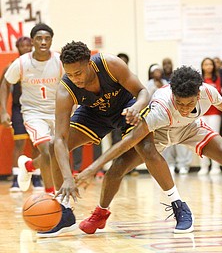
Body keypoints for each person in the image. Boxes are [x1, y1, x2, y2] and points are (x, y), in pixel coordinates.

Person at [74, 66, 222, 234]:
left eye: (190, 103)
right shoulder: (159, 109)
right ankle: (100, 213)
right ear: (173, 95)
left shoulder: (207, 92)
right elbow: (127, 141)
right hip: (161, 131)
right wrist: (93, 168)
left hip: (190, 128)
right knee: (117, 168)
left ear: (198, 94)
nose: (185, 108)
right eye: (180, 103)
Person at [44, 41, 193, 237]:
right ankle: (65, 211)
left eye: (78, 73)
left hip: (127, 108)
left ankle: (179, 205)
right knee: (54, 145)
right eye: (70, 74)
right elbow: (61, 139)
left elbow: (143, 92)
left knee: (147, 149)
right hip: (94, 114)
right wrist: (67, 178)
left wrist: (137, 108)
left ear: (89, 63)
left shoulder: (109, 64)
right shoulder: (65, 89)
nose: (75, 79)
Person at [0, 23, 62, 194]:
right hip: (33, 113)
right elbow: (5, 83)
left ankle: (29, 165)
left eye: (47, 39)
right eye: (39, 38)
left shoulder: (59, 61)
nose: (43, 42)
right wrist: (3, 111)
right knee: (46, 149)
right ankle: (51, 194)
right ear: (33, 41)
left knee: (58, 153)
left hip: (57, 112)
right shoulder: (21, 62)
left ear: (51, 41)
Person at [0, 36, 43, 192]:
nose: (25, 48)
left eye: (28, 45)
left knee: (36, 143)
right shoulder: (12, 66)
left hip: (37, 108)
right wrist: (3, 111)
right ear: (17, 47)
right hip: (19, 109)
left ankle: (37, 176)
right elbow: (3, 88)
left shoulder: (39, 66)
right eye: (22, 45)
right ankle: (16, 178)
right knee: (19, 143)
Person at [160, 58, 193, 175]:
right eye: (165, 64)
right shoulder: (159, 80)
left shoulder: (177, 79)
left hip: (180, 113)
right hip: (166, 116)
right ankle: (170, 164)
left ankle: (183, 165)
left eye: (169, 63)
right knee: (166, 142)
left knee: (181, 142)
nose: (167, 66)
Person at [198, 57, 222, 175]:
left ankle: (215, 166)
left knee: (214, 139)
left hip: (214, 113)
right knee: (202, 139)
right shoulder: (199, 80)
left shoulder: (217, 79)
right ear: (202, 66)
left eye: (210, 64)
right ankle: (204, 166)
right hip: (202, 114)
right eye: (206, 64)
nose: (208, 67)